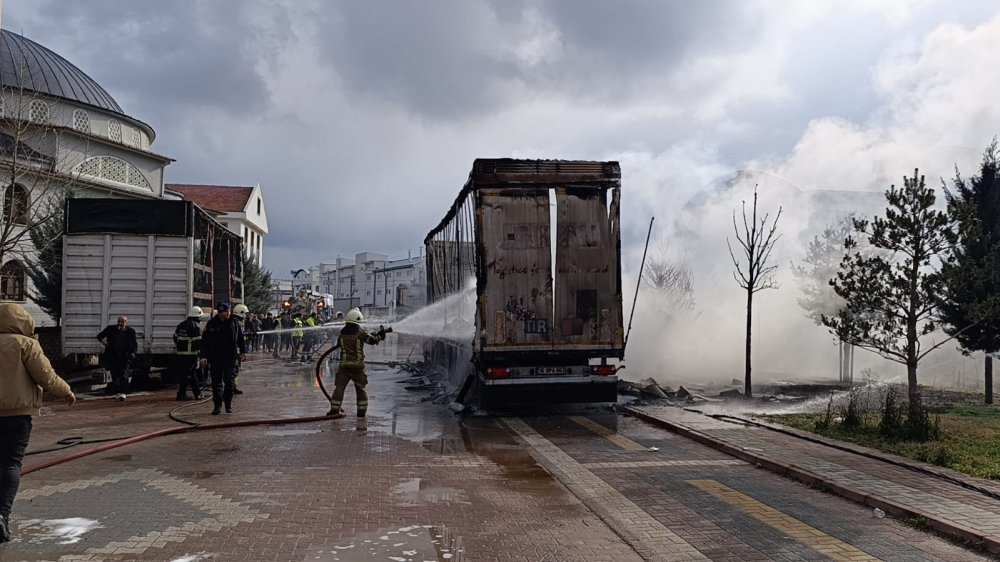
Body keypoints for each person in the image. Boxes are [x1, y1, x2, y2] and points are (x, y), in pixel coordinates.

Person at [0, 303, 76, 543]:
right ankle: (1, 515)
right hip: (17, 415)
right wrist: (66, 391)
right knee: (11, 464)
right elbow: (46, 375)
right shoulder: (26, 344)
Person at [326, 308, 387, 431]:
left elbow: (339, 344)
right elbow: (372, 340)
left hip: (344, 366)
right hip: (357, 366)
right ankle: (361, 413)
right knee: (361, 389)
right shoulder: (360, 332)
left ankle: (334, 410)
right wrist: (380, 336)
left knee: (339, 388)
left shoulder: (342, 333)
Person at [200, 303, 246, 415]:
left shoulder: (234, 323)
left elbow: (240, 338)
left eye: (229, 311)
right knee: (216, 383)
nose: (228, 313)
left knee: (229, 382)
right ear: (221, 312)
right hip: (215, 358)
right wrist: (203, 356)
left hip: (230, 358)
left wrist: (243, 352)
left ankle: (228, 405)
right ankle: (217, 406)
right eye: (226, 311)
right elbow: (204, 342)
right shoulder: (211, 324)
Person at [96, 315, 138, 394]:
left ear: (126, 322)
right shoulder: (111, 329)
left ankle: (124, 391)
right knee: (114, 374)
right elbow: (99, 336)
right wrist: (103, 341)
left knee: (124, 374)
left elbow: (134, 344)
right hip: (113, 355)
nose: (120, 324)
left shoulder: (130, 331)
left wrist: (133, 353)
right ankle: (116, 390)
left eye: (122, 322)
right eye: (119, 322)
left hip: (125, 356)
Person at [173, 306, 204, 401]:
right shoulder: (196, 326)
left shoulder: (181, 325)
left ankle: (182, 394)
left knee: (186, 375)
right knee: (191, 374)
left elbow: (175, 338)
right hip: (191, 355)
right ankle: (197, 394)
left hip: (180, 354)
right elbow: (198, 343)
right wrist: (201, 355)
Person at [231, 304, 250, 395]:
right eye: (245, 314)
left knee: (234, 370)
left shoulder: (232, 322)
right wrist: (244, 352)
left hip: (232, 352)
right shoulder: (236, 323)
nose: (245, 316)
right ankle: (231, 388)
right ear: (241, 313)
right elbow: (240, 339)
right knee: (233, 370)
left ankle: (233, 387)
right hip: (233, 353)